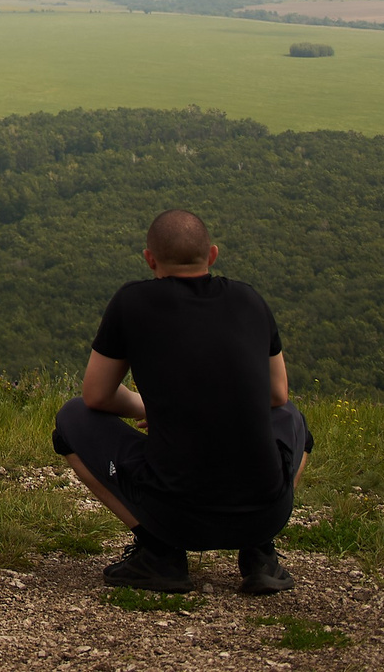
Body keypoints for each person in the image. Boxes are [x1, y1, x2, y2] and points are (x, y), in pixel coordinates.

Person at [53, 209, 313, 595]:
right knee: (293, 419)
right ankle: (260, 552)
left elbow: (97, 395)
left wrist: (145, 408)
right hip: (265, 511)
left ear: (150, 259)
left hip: (175, 514)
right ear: (212, 255)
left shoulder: (132, 302)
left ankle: (159, 553)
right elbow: (278, 395)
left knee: (71, 419)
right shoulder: (249, 299)